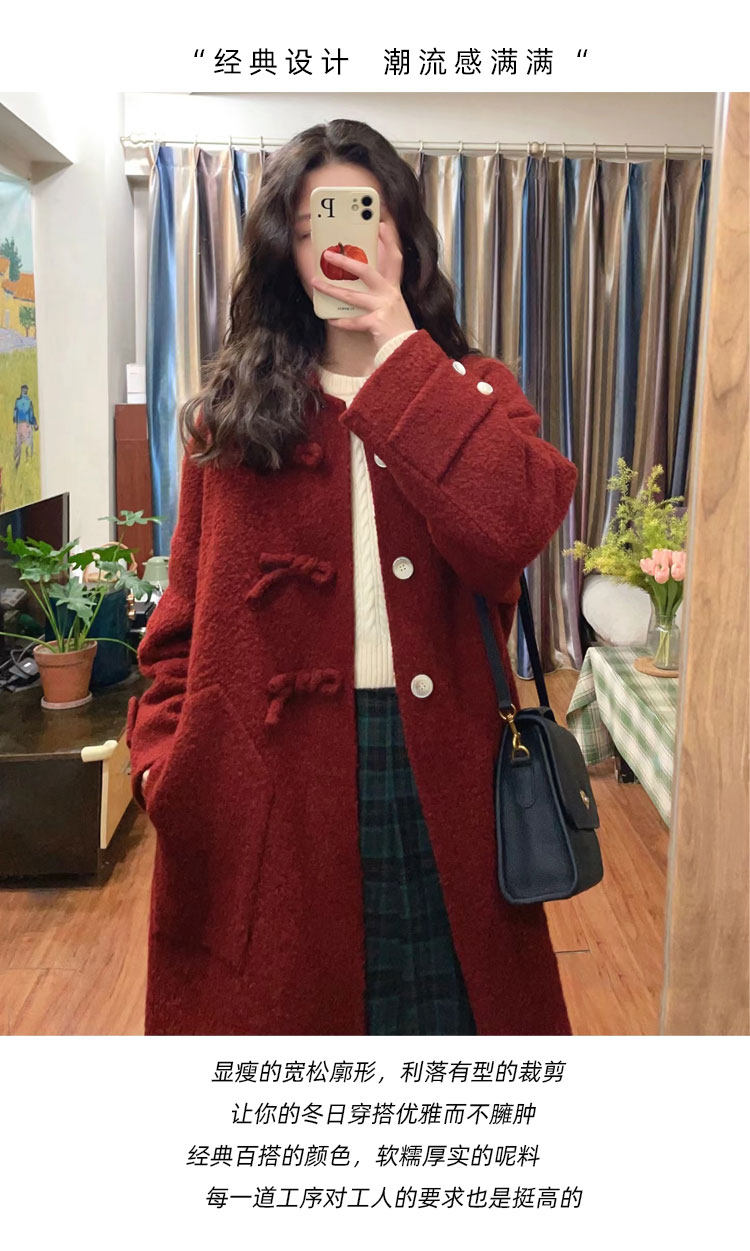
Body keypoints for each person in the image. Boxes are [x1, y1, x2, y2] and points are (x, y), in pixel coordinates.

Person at [126, 118, 579, 1036]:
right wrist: (168, 766)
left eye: (363, 218)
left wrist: (404, 355)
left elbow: (514, 530)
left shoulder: (474, 390)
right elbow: (180, 624)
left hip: (444, 780)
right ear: (284, 253)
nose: (338, 247)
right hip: (263, 800)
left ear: (403, 238)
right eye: (310, 228)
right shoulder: (232, 418)